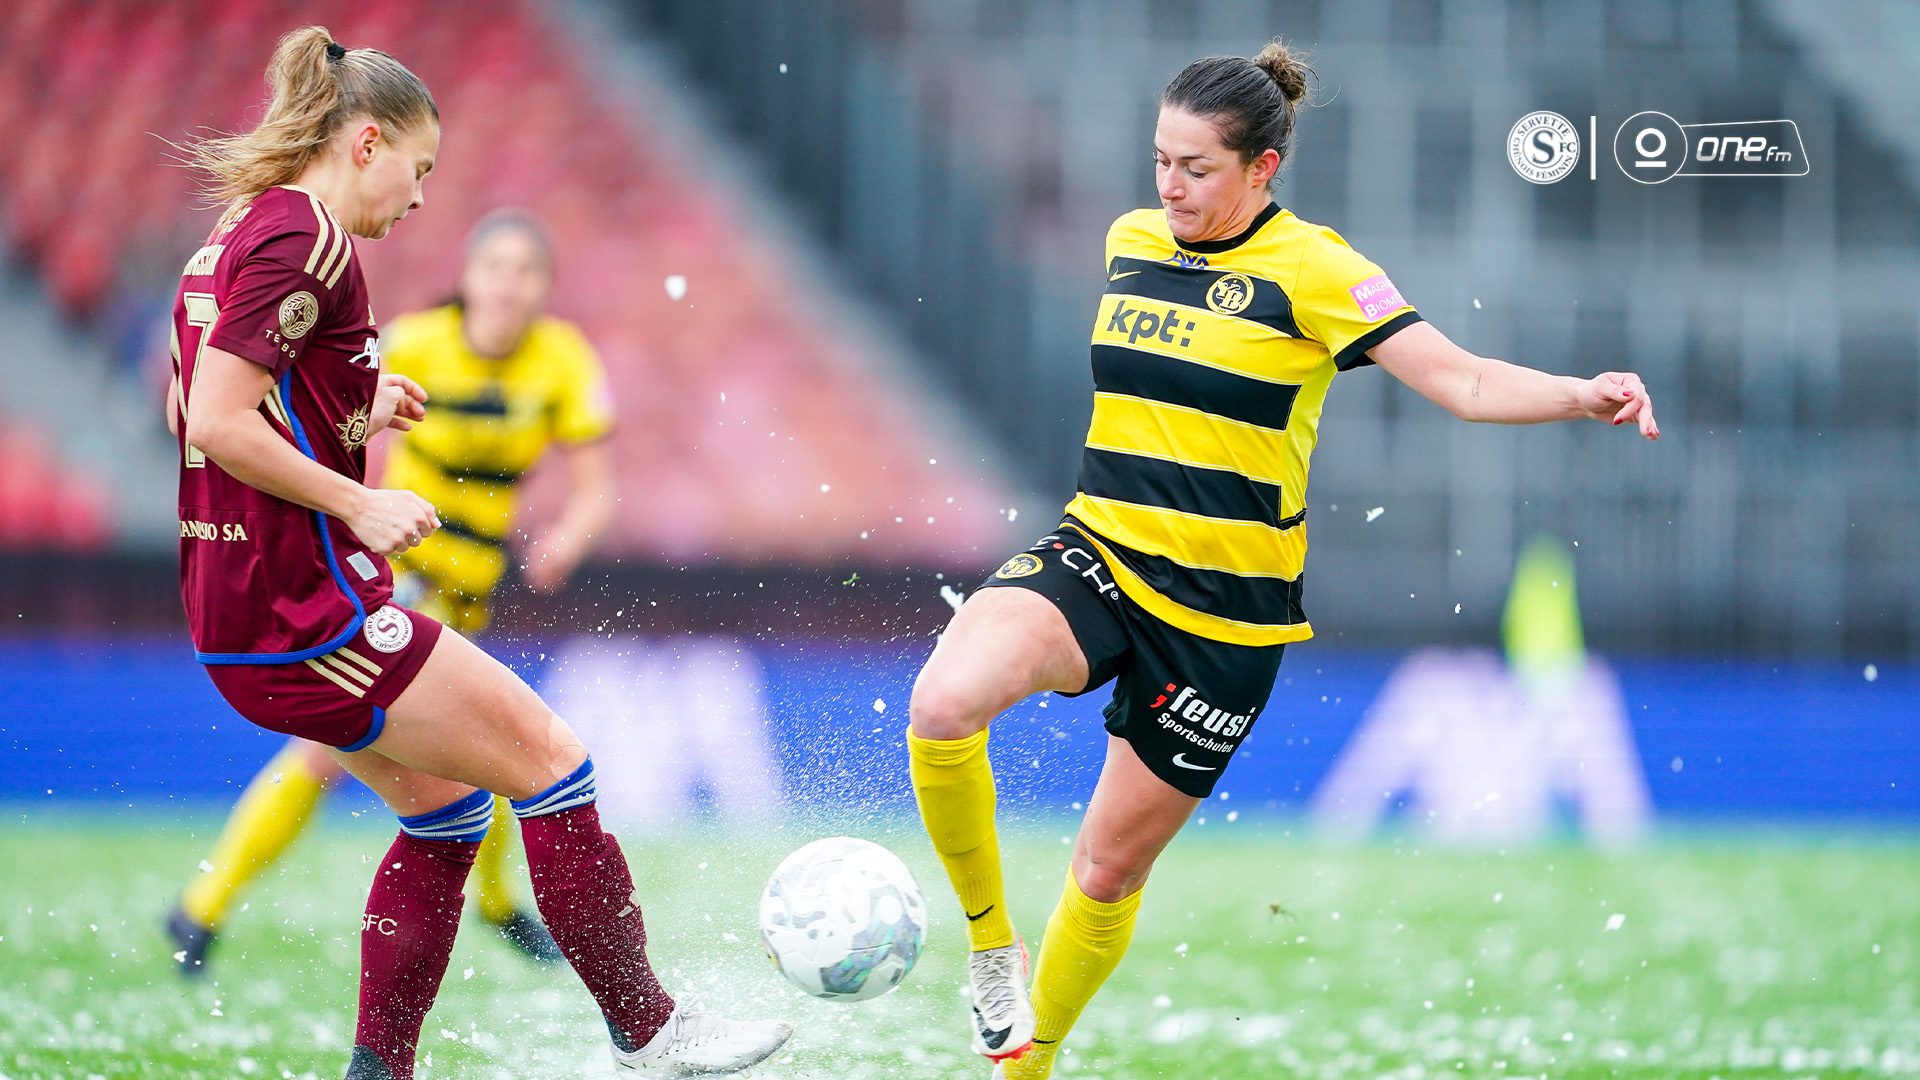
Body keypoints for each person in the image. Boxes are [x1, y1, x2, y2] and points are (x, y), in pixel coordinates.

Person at [905, 40, 1659, 1079]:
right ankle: (993, 948)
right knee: (943, 705)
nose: (1170, 186)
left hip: (1225, 621)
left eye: (1196, 167)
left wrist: (1582, 394)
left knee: (1108, 872)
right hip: (1097, 552)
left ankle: (1026, 1069)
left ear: (1262, 168)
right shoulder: (1132, 240)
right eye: (1160, 160)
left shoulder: (1319, 270)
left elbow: (1464, 382)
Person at [165, 27, 789, 1079]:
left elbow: (194, 399)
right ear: (366, 142)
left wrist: (350, 405)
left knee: (450, 817)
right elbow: (219, 421)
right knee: (554, 763)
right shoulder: (308, 239)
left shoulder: (238, 230)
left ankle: (380, 1070)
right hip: (309, 607)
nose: (420, 198)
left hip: (243, 605)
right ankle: (651, 1029)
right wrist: (356, 503)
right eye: (419, 169)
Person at [166, 210, 617, 974]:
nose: (509, 286)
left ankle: (493, 901)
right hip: (395, 580)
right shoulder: (412, 342)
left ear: (545, 288)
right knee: (342, 753)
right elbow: (312, 417)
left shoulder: (563, 360)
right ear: (468, 278)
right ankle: (201, 906)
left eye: (526, 271)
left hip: (469, 594)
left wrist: (568, 538)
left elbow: (596, 491)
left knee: (487, 747)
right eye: (496, 268)